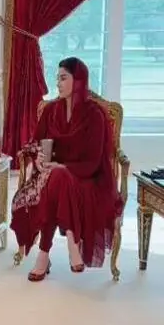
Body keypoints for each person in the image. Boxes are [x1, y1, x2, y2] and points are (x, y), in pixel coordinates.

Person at [11, 57, 123, 282]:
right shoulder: (51, 110)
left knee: (59, 177)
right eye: (57, 79)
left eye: (63, 78)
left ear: (78, 80)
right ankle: (72, 241)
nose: (58, 83)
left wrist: (62, 166)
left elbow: (93, 162)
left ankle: (44, 255)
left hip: (86, 179)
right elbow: (34, 143)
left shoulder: (95, 115)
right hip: (52, 177)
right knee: (56, 178)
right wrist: (39, 156)